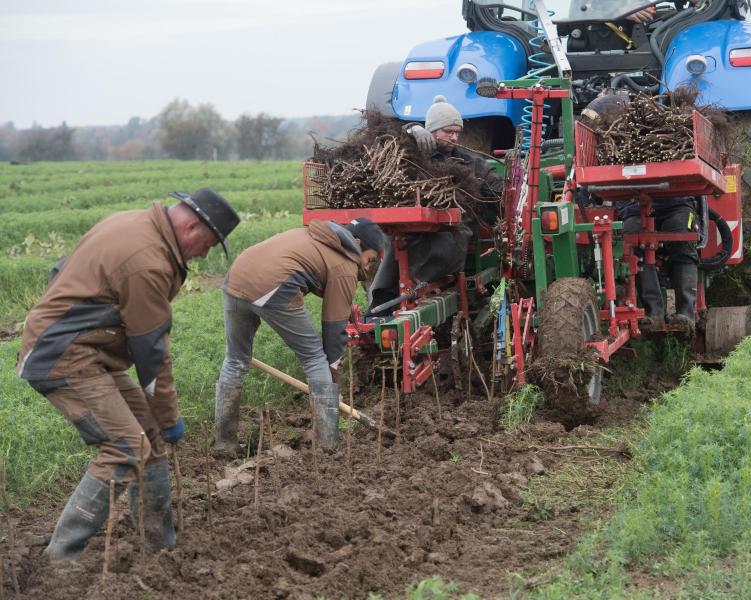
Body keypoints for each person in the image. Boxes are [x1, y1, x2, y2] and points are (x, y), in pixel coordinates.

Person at [16, 188, 241, 561]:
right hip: (63, 356)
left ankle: (157, 545)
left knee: (146, 434)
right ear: (191, 227)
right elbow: (151, 352)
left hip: (88, 350)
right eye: (209, 244)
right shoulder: (148, 261)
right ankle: (63, 558)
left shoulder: (131, 221)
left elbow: (61, 268)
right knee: (125, 447)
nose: (205, 254)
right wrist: (169, 416)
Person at [213, 217, 386, 456]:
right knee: (314, 357)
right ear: (357, 244)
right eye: (370, 259)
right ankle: (328, 444)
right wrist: (333, 385)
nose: (367, 267)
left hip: (235, 279)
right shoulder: (345, 264)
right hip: (271, 285)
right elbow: (334, 333)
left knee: (235, 360)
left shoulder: (315, 236)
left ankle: (224, 443)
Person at [369, 96, 503, 314]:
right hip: (408, 232)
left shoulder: (469, 161)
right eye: (448, 132)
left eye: (457, 132)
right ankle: (380, 303)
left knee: (438, 247)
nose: (454, 137)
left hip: (452, 232)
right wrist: (410, 129)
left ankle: (412, 287)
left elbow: (495, 187)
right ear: (431, 130)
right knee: (396, 246)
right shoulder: (410, 154)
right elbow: (382, 141)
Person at [578, 92, 699, 334]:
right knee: (635, 247)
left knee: (682, 242)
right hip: (632, 210)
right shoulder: (603, 149)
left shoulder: (653, 133)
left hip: (675, 204)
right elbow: (588, 187)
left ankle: (686, 315)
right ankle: (654, 314)